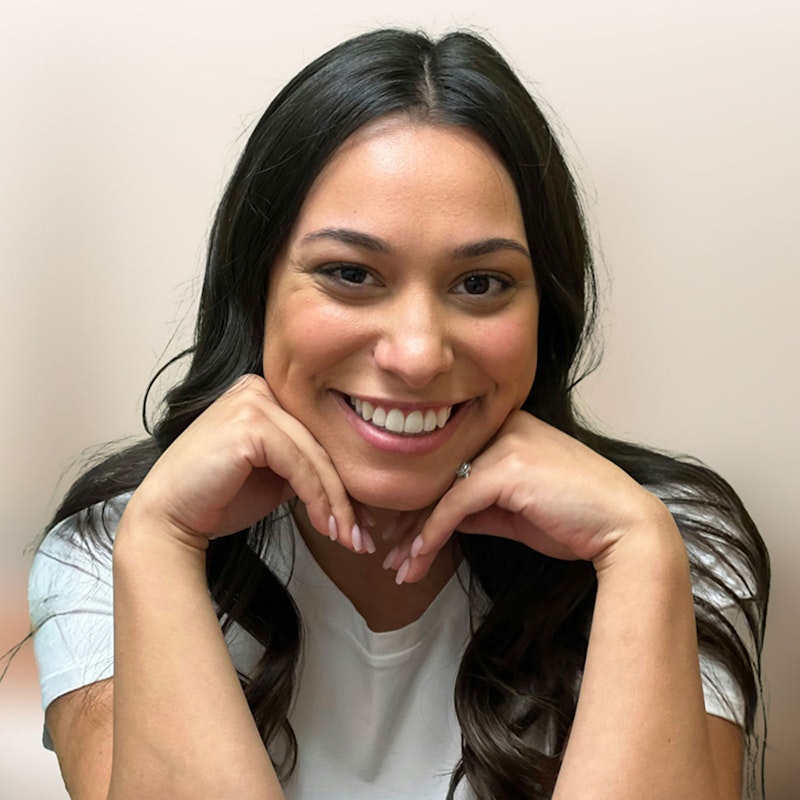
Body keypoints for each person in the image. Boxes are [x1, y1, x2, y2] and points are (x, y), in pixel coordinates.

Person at [28, 28, 769, 800]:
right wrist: (162, 541)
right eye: (351, 273)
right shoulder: (111, 544)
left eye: (480, 283)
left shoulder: (668, 536)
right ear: (256, 292)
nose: (417, 355)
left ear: (545, 308)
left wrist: (637, 548)